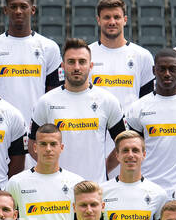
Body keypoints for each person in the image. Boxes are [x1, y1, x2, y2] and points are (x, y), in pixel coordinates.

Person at [31, 37, 124, 182]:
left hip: (95, 188)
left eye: (82, 62)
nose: (76, 67)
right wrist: (50, 170)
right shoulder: (46, 102)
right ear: (62, 66)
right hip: (58, 187)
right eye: (71, 62)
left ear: (91, 65)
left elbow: (124, 143)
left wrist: (105, 168)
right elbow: (32, 145)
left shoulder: (107, 101)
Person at [120, 47, 176, 192]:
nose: (167, 74)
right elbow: (131, 151)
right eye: (162, 69)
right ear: (153, 70)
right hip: (147, 189)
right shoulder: (137, 108)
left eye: (172, 69)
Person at [0, 0, 62, 126]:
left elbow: (54, 94)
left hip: (36, 126)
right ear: (5, 10)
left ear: (33, 10)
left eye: (23, 6)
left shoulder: (49, 47)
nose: (18, 11)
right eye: (13, 7)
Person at [7, 124, 83, 220]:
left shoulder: (76, 182)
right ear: (35, 147)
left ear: (61, 148)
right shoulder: (16, 182)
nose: (48, 149)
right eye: (43, 144)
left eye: (53, 144)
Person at [102, 130, 167, 220]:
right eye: (125, 150)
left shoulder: (158, 193)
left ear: (144, 154)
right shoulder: (102, 192)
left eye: (135, 150)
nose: (130, 155)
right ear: (117, 155)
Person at [90, 0, 155, 105]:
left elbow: (148, 100)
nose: (112, 22)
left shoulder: (142, 55)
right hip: (97, 121)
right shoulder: (87, 54)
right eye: (107, 17)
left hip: (130, 121)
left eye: (116, 17)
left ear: (125, 20)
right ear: (98, 20)